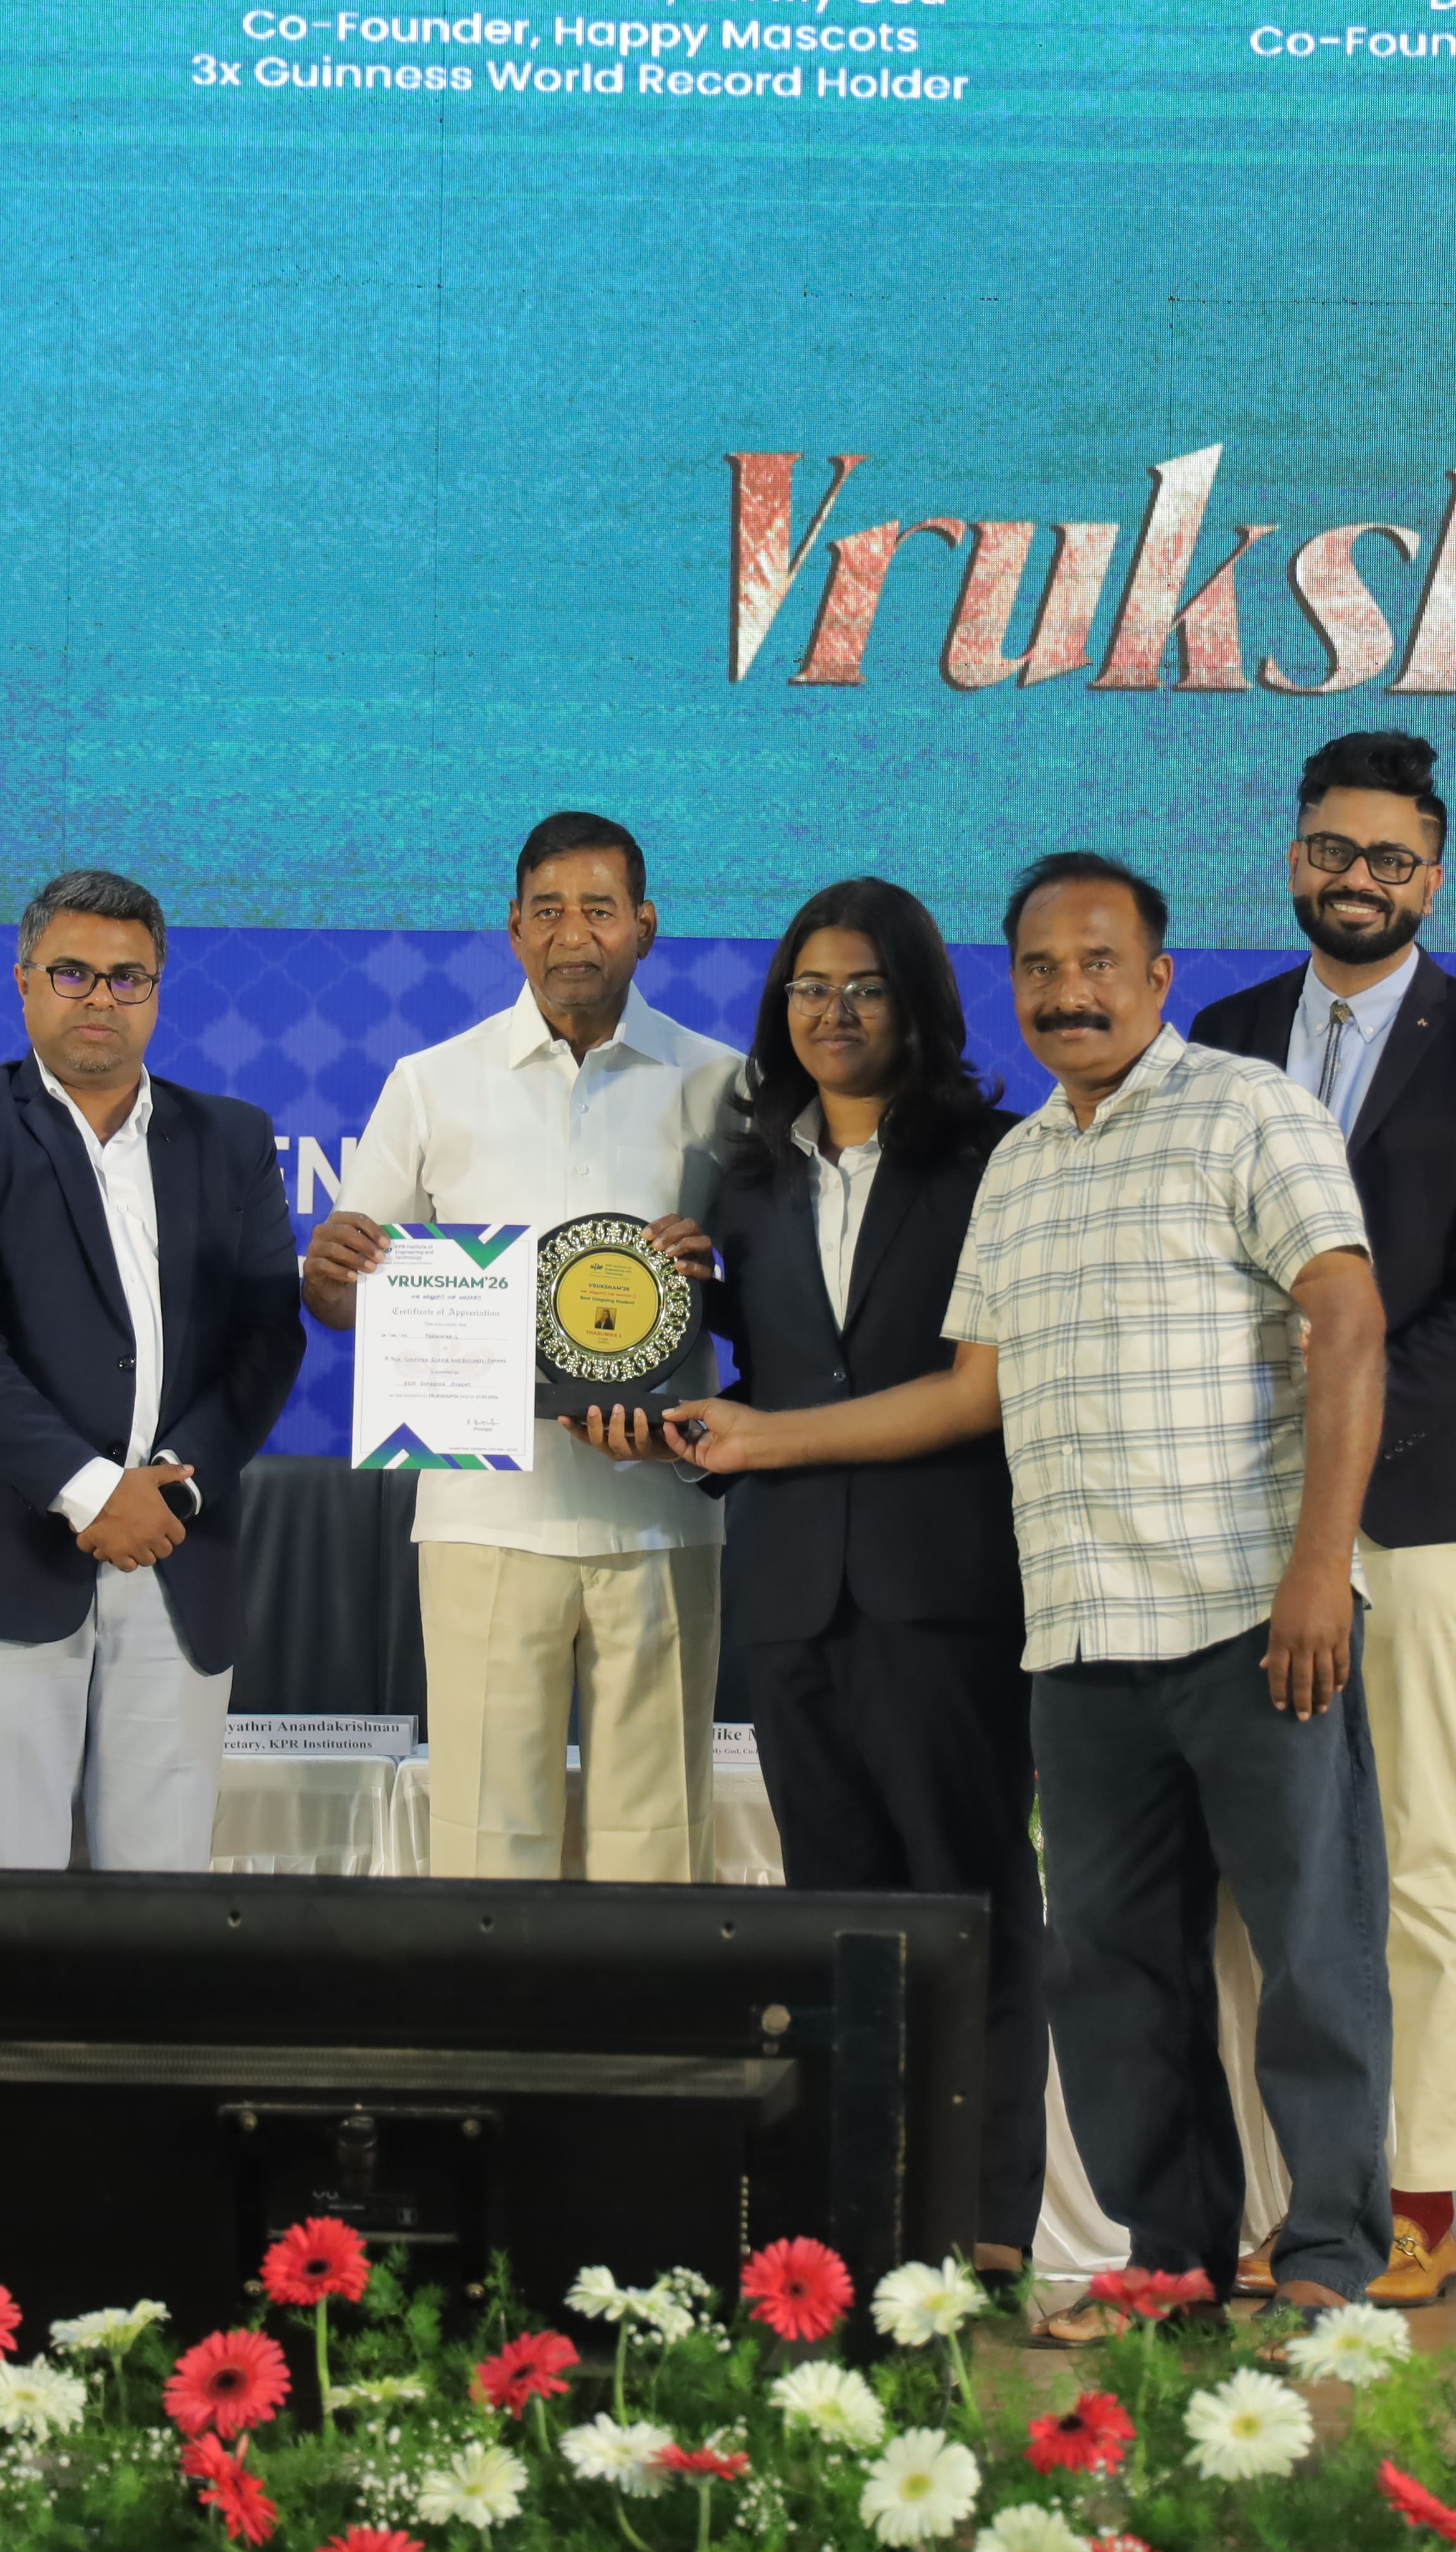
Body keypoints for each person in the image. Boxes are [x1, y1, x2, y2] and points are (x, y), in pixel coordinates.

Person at [664, 851, 1391, 2328]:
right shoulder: (1022, 1165)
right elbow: (966, 1393)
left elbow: (1349, 1319)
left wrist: (1324, 1565)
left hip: (1252, 1613)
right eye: (1043, 969)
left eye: (1099, 962)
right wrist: (759, 1437)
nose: (1070, 992)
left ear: (1158, 975)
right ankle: (1173, 2257)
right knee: (1112, 1973)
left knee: (1312, 1950)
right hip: (1075, 1631)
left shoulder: (1250, 1108)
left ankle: (1327, 2262)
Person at [574, 877, 1043, 2271]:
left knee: (973, 1910)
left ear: (919, 1003)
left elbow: (986, 1390)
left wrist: (758, 1434)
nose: (834, 1013)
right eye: (810, 988)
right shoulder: (745, 1175)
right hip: (788, 1600)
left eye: (866, 988)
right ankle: (861, 2227)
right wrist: (646, 1405)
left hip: (949, 1593)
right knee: (836, 1926)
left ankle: (986, 2229)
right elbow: (750, 1376)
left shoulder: (997, 1160)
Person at [1187, 728, 1456, 2309]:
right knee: (1263, 1868)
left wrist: (1349, 1423)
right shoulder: (1218, 1036)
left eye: (1390, 858)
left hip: (1424, 1497)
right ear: (1294, 858)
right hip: (1238, 1508)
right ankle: (1295, 2203)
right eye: (1334, 850)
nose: (1359, 879)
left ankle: (1417, 2198)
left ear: (1435, 878)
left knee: (1412, 1848)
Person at [302, 812, 740, 1881]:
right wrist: (329, 1277)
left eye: (599, 909)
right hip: (484, 1514)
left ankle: (648, 2006)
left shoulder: (727, 1085)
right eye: (547, 910)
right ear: (512, 929)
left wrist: (714, 1277)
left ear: (646, 926)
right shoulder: (431, 1081)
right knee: (484, 1853)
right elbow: (348, 1297)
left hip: (662, 1513)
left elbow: (772, 1295)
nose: (572, 933)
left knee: (659, 1848)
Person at [0, 869, 305, 1869]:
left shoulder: (233, 1138)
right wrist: (91, 1492)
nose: (99, 998)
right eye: (71, 973)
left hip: (177, 1550)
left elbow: (268, 1336)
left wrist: (172, 1491)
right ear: (23, 980)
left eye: (127, 978)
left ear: (157, 991)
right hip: (7, 1561)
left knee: (160, 1902)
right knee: (6, 1892)